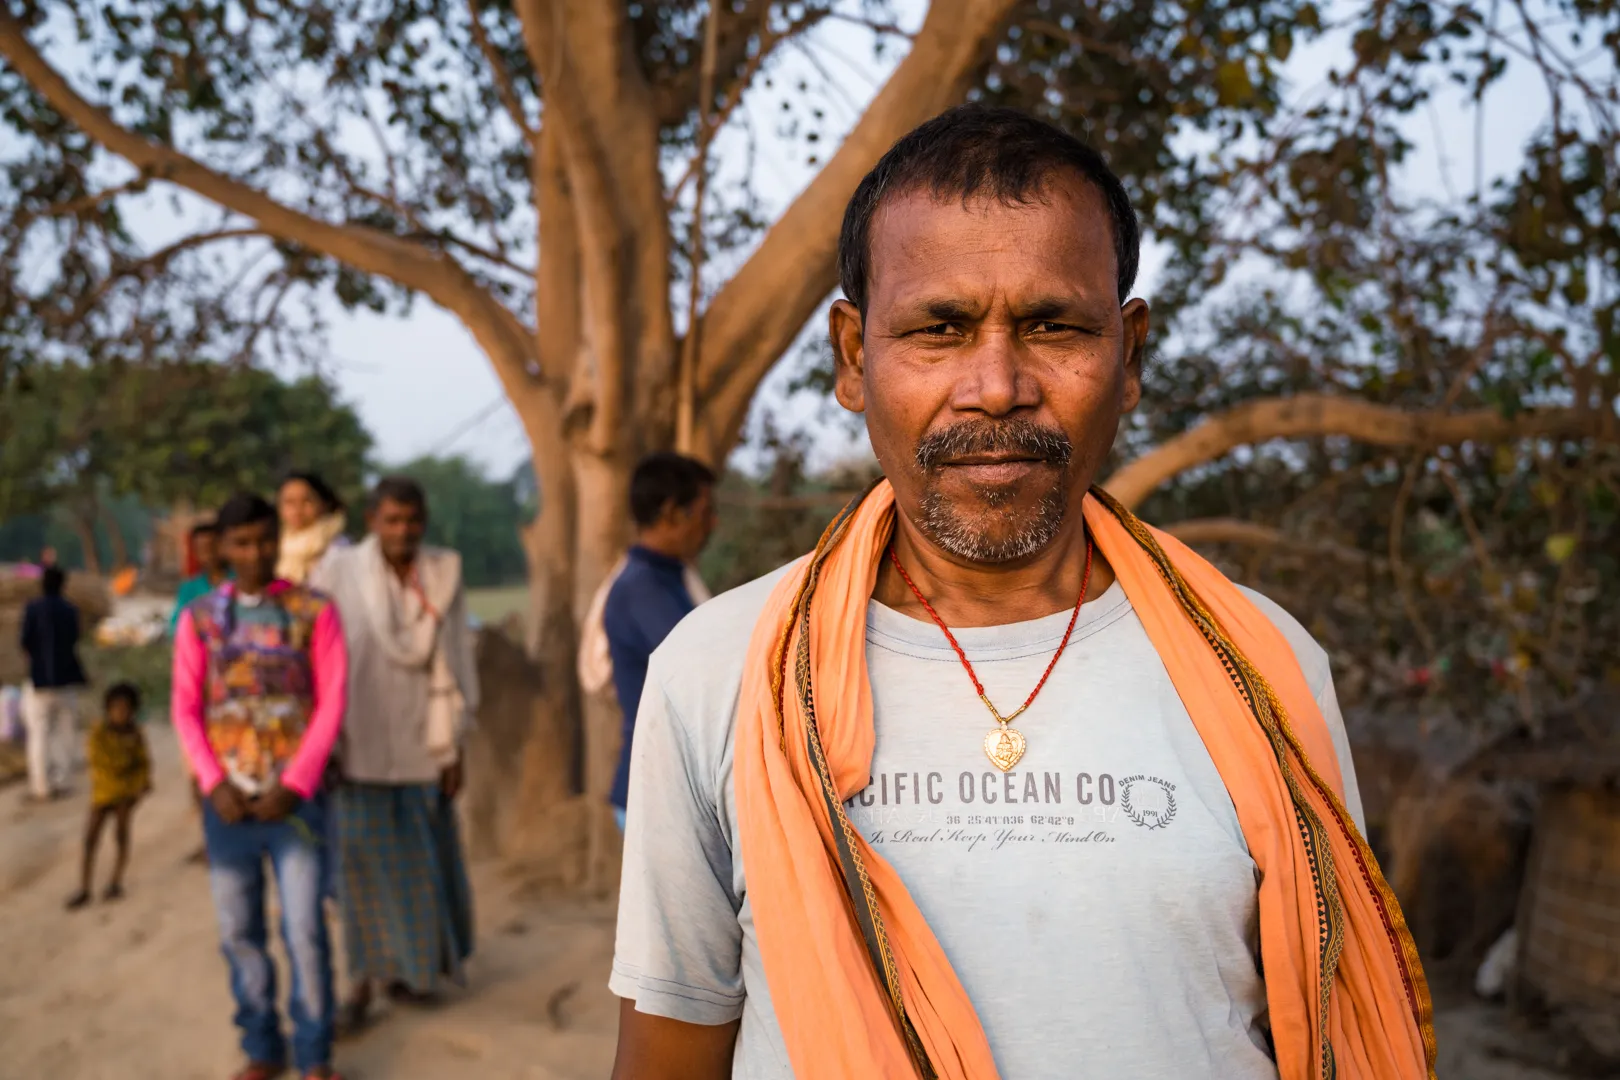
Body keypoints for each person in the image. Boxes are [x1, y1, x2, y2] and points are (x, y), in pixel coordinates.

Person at [609, 106, 1435, 1080]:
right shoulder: (718, 673)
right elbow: (669, 1054)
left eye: (1053, 326)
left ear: (1129, 357)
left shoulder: (1270, 669)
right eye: (939, 328)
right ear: (851, 356)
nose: (997, 386)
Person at [171, 492, 348, 1080]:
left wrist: (298, 782)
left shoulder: (314, 611)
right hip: (230, 807)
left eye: (265, 540)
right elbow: (185, 707)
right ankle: (262, 1045)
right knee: (240, 932)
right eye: (242, 543)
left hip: (295, 805)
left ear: (279, 540)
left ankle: (315, 1053)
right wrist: (212, 780)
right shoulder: (199, 620)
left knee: (303, 930)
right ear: (221, 548)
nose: (256, 553)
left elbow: (331, 702)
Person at [311, 476, 477, 1029]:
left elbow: (456, 659)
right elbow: (320, 663)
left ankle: (411, 971)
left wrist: (454, 747)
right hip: (357, 743)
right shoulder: (335, 573)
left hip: (424, 743)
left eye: (412, 521)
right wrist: (323, 743)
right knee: (360, 871)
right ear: (371, 521)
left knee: (421, 868)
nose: (403, 531)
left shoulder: (442, 572)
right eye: (392, 521)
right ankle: (359, 984)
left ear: (423, 521)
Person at [601, 453, 717, 832]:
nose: (711, 525)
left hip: (668, 780)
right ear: (672, 513)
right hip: (656, 786)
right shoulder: (643, 587)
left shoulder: (668, 578)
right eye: (704, 512)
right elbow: (705, 673)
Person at [66, 682, 152, 909]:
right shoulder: (99, 733)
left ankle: (115, 881)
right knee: (90, 840)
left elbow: (144, 764)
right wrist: (132, 778)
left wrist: (140, 785)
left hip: (123, 795)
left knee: (121, 837)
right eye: (117, 709)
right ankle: (85, 887)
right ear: (108, 709)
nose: (121, 714)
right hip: (105, 794)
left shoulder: (135, 735)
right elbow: (98, 762)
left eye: (125, 709)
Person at [19, 565, 88, 801]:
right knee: (66, 733)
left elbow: (25, 642)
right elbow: (76, 639)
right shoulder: (70, 610)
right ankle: (64, 780)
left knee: (39, 734)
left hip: (39, 681)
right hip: (66, 680)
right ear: (63, 584)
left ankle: (41, 786)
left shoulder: (32, 609)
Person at [277, 472, 348, 586]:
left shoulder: (339, 548)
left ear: (324, 504)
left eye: (306, 501)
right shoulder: (274, 547)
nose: (297, 509)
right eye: (289, 502)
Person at [171, 520, 228, 631]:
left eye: (212, 548)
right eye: (202, 550)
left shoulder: (238, 581)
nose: (208, 555)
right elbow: (176, 626)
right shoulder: (189, 588)